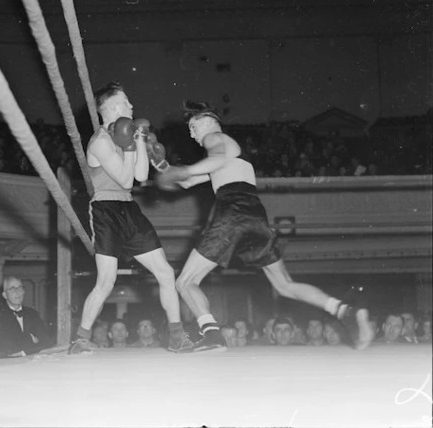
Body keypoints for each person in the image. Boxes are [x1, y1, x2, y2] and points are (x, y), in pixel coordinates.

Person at [158, 101, 374, 352]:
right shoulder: (229, 157)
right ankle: (344, 310)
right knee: (284, 285)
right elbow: (188, 181)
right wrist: (161, 164)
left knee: (185, 282)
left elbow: (214, 158)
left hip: (232, 211)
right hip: (255, 214)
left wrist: (184, 169)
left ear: (207, 122)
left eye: (193, 127)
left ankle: (213, 335)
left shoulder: (216, 139)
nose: (192, 135)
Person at [69, 82, 193, 354]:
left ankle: (176, 336)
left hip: (129, 210)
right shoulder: (100, 141)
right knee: (106, 281)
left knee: (165, 272)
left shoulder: (127, 133)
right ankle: (80, 339)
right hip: (105, 211)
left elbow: (141, 177)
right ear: (112, 107)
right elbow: (125, 180)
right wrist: (130, 144)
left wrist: (138, 140)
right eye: (126, 102)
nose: (132, 106)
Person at [0, 276, 53, 358]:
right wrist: (32, 339)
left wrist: (25, 351)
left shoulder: (33, 314)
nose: (18, 292)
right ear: (5, 295)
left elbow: (47, 342)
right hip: (8, 365)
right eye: (12, 289)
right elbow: (8, 348)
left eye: (20, 288)